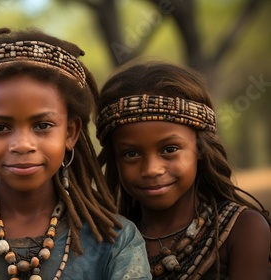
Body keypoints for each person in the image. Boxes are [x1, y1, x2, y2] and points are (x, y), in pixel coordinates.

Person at [0, 28, 151, 280]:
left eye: (42, 125)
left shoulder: (115, 240)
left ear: (70, 132)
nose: (22, 144)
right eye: (0, 128)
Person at [95, 60, 271, 279]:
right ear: (114, 159)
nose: (151, 169)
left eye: (169, 149)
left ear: (200, 148)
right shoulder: (104, 242)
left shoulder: (243, 229)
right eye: (131, 154)